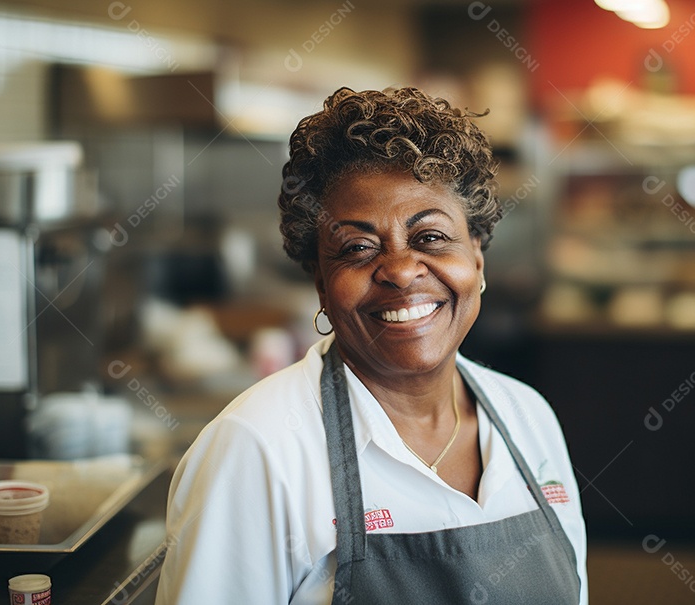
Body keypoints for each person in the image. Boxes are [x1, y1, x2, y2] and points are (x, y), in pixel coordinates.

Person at [155, 86, 587, 604]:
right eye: (358, 248)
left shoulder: (528, 419)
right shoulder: (257, 448)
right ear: (319, 280)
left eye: (430, 237)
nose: (402, 272)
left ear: (476, 256)